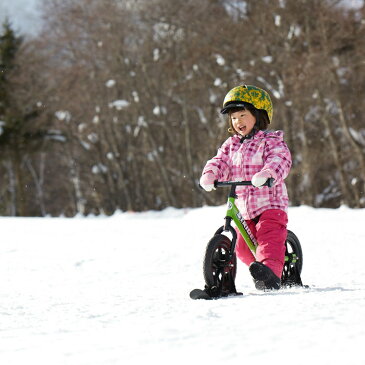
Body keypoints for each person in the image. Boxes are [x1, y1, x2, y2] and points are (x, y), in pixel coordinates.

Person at [199, 84, 292, 290]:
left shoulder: (270, 140)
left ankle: (271, 274)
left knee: (269, 239)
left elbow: (280, 159)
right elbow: (220, 161)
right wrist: (210, 174)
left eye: (242, 115)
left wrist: (268, 174)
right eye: (233, 117)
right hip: (245, 208)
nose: (237, 121)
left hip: (270, 204)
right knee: (240, 247)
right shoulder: (231, 144)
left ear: (258, 115)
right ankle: (255, 271)